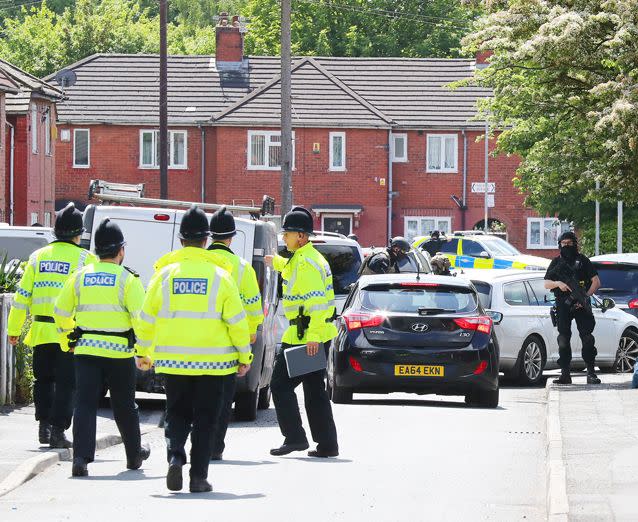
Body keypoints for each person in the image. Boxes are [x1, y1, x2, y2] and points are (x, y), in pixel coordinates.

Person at [135, 205, 252, 493]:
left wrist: (142, 352)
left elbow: (146, 317)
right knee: (205, 419)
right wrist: (244, 356)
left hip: (174, 362)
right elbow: (237, 322)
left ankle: (176, 454)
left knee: (176, 412)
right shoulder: (221, 277)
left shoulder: (164, 275)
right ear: (205, 240)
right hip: (214, 364)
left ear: (181, 240)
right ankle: (198, 477)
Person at [54, 218, 150, 477]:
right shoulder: (128, 280)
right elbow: (141, 320)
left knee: (85, 403)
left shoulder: (80, 276)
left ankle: (81, 460)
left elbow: (60, 311)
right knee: (124, 405)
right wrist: (145, 353)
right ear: (120, 251)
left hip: (86, 351)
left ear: (96, 251)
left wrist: (67, 339)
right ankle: (134, 455)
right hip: (119, 353)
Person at [7, 203, 97, 448]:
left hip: (41, 331)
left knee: (43, 380)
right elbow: (90, 300)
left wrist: (13, 330)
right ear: (78, 233)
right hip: (69, 334)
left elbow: (21, 297)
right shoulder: (85, 259)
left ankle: (43, 427)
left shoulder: (37, 257)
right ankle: (58, 430)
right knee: (67, 383)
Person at [265, 206, 339, 458]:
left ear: (301, 236)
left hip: (305, 336)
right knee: (314, 391)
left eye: (288, 233)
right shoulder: (305, 258)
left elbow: (316, 305)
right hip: (311, 334)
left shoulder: (306, 263)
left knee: (280, 386)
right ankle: (327, 444)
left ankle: (295, 437)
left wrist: (313, 339)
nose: (284, 237)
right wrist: (275, 262)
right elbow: (291, 269)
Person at [207, 206, 264, 461]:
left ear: (210, 236)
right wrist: (249, 338)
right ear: (231, 237)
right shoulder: (242, 268)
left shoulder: (195, 263)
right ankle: (215, 446)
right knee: (221, 400)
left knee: (195, 399)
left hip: (191, 344)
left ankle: (189, 444)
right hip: (227, 347)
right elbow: (253, 308)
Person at [544, 231, 601, 385]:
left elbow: (596, 281)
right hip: (563, 305)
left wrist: (585, 297)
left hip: (581, 304)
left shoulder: (583, 261)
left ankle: (591, 372)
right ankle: (565, 374)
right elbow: (546, 283)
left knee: (587, 338)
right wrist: (558, 284)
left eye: (570, 243)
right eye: (564, 243)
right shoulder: (556, 262)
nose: (567, 246)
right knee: (563, 338)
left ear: (575, 244)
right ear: (560, 245)